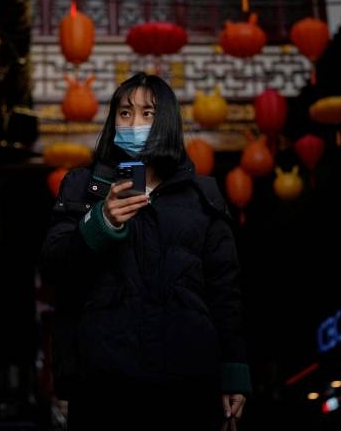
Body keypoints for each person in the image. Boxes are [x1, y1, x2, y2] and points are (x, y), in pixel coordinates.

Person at [39, 72, 250, 429]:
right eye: (125, 113)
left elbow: (224, 291)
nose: (135, 123)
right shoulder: (83, 186)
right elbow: (55, 268)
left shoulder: (202, 196)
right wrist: (100, 222)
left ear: (166, 121)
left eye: (148, 114)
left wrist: (233, 374)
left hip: (187, 380)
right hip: (104, 382)